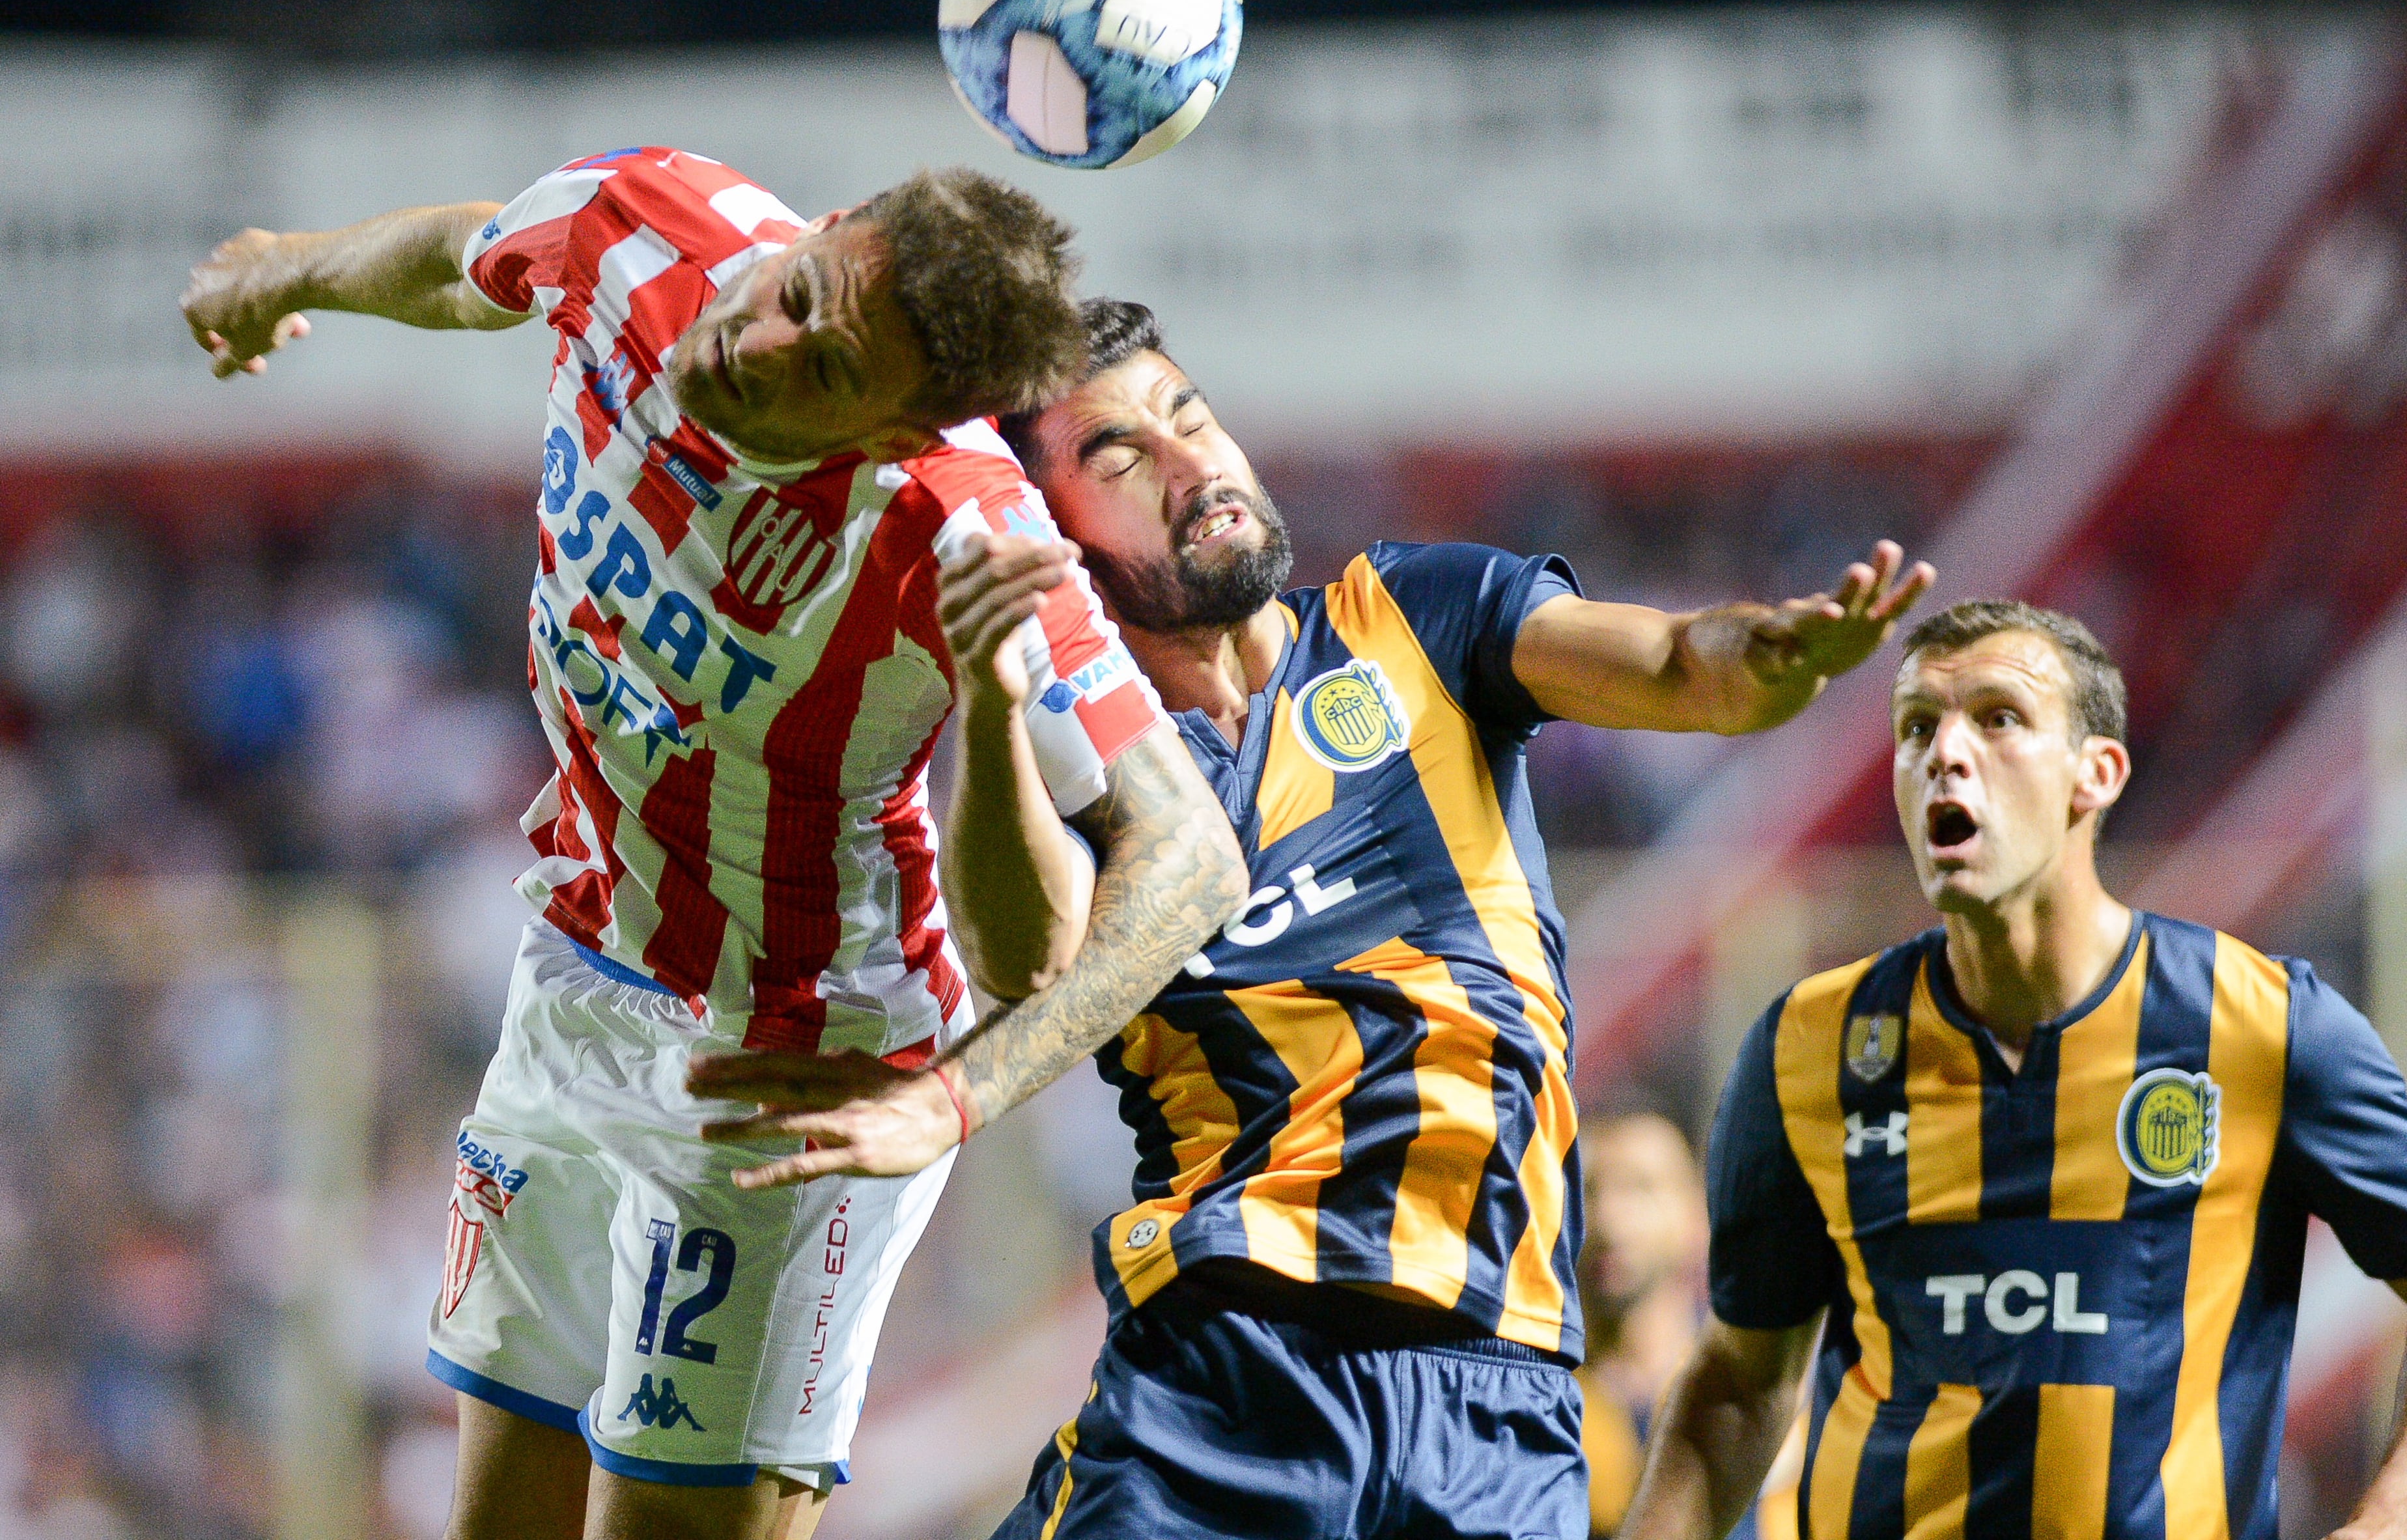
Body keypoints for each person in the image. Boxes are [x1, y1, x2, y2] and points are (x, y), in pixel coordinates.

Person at [686, 298, 1933, 1538]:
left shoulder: (1418, 618)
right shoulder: (1092, 771)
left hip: (1499, 1395)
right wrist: (1003, 710)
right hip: (1229, 1369)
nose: (1194, 464)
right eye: (1121, 457)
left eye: (1193, 417)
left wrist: (1765, 650)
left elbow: (1675, 665)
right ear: (1051, 542)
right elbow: (1029, 959)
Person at [179, 154, 1244, 1540]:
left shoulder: (961, 529)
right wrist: (288, 269)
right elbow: (470, 262)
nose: (760, 345)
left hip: (783, 1070)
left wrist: (958, 1096)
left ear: (898, 432)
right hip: (572, 969)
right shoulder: (651, 217)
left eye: (824, 373)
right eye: (802, 294)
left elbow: (1186, 861)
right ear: (833, 226)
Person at [1618, 599, 2407, 1540]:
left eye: (1998, 718)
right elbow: (1741, 1388)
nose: (1946, 753)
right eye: (1918, 726)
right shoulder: (1808, 1050)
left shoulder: (2264, 1029)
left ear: (2097, 774)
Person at [1579, 1113, 1802, 1540]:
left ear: (1697, 1214)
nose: (1608, 1217)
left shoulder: (1753, 1387)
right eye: (1589, 1191)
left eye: (1638, 1187)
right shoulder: (1542, 1397)